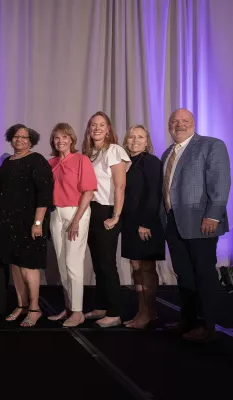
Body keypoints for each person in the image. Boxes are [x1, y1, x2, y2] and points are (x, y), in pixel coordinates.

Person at [161, 108, 230, 342]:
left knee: (204, 274)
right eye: (174, 121)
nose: (179, 125)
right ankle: (188, 320)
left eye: (184, 121)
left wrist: (213, 215)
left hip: (202, 222)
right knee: (184, 275)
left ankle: (208, 325)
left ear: (193, 123)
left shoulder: (211, 145)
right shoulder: (167, 153)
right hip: (174, 223)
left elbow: (220, 182)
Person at [0, 124, 54, 328]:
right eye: (16, 136)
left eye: (24, 137)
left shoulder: (36, 160)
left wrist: (38, 222)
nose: (19, 140)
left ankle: (35, 308)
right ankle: (21, 305)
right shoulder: (8, 162)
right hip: (8, 223)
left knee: (29, 266)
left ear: (31, 141)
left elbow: (45, 194)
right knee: (14, 265)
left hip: (29, 222)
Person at [82, 111, 130, 328]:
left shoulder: (114, 150)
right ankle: (101, 306)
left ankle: (115, 312)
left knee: (108, 263)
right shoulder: (90, 153)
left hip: (108, 211)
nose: (97, 128)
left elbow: (120, 185)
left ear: (109, 128)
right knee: (98, 263)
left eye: (102, 124)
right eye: (93, 124)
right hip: (92, 211)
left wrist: (115, 216)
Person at [46, 123, 97, 328]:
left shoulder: (81, 160)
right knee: (61, 264)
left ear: (71, 139)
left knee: (73, 263)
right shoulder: (51, 163)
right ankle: (68, 307)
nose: (60, 141)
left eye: (64, 137)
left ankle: (78, 312)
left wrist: (76, 220)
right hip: (56, 213)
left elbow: (88, 192)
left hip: (76, 212)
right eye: (57, 138)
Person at [120, 125, 165, 329]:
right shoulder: (127, 163)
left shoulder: (151, 161)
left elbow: (154, 194)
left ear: (147, 142)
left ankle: (147, 313)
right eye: (131, 137)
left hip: (146, 223)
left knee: (146, 267)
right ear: (126, 141)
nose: (135, 140)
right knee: (136, 267)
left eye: (140, 137)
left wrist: (146, 223)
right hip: (130, 223)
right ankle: (145, 311)